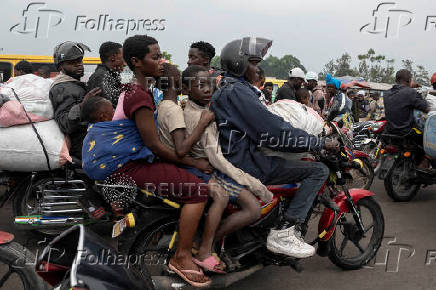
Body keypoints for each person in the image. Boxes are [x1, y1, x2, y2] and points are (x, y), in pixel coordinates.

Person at [210, 37, 336, 258]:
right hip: (247, 162)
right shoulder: (238, 91)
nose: (258, 68)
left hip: (238, 156)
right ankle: (284, 232)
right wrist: (318, 142)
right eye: (254, 63)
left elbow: (270, 123)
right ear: (240, 64)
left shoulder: (230, 88)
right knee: (318, 171)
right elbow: (275, 133)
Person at [112, 35, 212, 287]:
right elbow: (153, 144)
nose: (161, 61)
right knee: (197, 191)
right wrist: (193, 162)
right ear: (136, 62)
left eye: (161, 55)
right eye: (155, 57)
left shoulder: (140, 90)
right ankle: (182, 256)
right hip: (132, 165)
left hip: (136, 160)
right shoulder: (139, 95)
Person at [182, 65, 272, 269]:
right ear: (187, 89)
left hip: (199, 167)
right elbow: (217, 159)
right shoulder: (201, 117)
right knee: (253, 208)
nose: (207, 90)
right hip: (210, 170)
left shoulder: (192, 108)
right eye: (200, 85)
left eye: (209, 85)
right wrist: (255, 184)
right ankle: (206, 246)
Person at [49, 41, 102, 159]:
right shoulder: (62, 88)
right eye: (72, 63)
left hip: (90, 139)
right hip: (82, 145)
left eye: (79, 61)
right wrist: (83, 105)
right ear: (61, 67)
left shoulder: (75, 84)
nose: (78, 65)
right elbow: (65, 124)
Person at [384, 69, 429, 136]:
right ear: (409, 80)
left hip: (390, 131)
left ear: (396, 80)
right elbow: (426, 107)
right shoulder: (410, 92)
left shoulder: (386, 93)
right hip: (407, 133)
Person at [87, 41, 125, 107]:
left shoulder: (109, 75)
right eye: (123, 56)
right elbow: (112, 105)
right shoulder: (101, 77)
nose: (125, 61)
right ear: (113, 57)